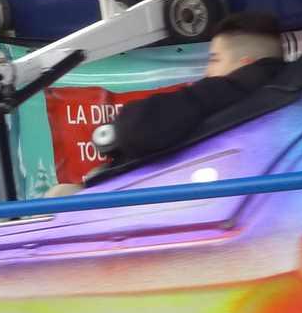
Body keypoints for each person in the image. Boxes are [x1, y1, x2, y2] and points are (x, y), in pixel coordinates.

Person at [49, 13, 285, 202]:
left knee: (59, 196)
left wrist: (114, 134)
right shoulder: (281, 92)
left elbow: (138, 128)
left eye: (215, 59)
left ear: (245, 65)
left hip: (166, 197)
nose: (208, 71)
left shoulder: (229, 89)